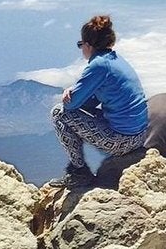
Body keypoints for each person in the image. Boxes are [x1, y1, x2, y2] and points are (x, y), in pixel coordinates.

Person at [50, 14, 148, 188]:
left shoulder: (99, 65)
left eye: (81, 45)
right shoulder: (115, 59)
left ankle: (79, 172)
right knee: (71, 113)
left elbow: (70, 105)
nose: (81, 49)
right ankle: (79, 170)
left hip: (122, 140)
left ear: (88, 45)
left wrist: (69, 92)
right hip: (138, 135)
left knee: (58, 113)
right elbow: (91, 100)